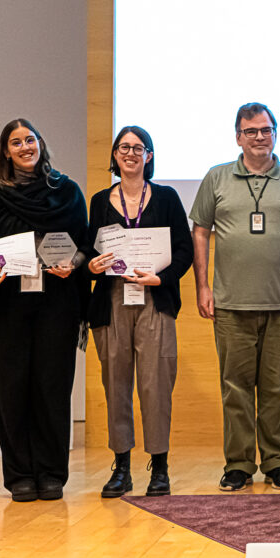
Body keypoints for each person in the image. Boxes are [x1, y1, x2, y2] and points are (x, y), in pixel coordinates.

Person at [190, 103, 280, 492]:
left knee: (278, 390)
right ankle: (239, 464)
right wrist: (202, 287)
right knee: (235, 389)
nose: (259, 137)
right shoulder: (216, 177)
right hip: (230, 305)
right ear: (238, 137)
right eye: (251, 131)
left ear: (275, 134)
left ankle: (279, 462)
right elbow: (200, 231)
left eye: (266, 130)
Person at [0, 119, 88, 502]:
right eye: (16, 142)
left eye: (30, 139)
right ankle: (19, 475)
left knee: (53, 388)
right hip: (7, 306)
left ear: (40, 143)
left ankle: (52, 474)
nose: (25, 147)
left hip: (57, 304)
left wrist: (74, 263)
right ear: (6, 151)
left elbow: (84, 246)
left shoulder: (67, 192)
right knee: (12, 390)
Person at [87, 126, 193, 497]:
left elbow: (184, 251)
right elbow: (90, 252)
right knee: (116, 386)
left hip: (154, 300)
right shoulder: (99, 201)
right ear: (114, 155)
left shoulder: (166, 197)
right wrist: (92, 267)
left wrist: (160, 278)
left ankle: (159, 468)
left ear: (149, 155)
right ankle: (121, 469)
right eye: (123, 147)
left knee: (155, 385)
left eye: (138, 148)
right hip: (112, 302)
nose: (130, 153)